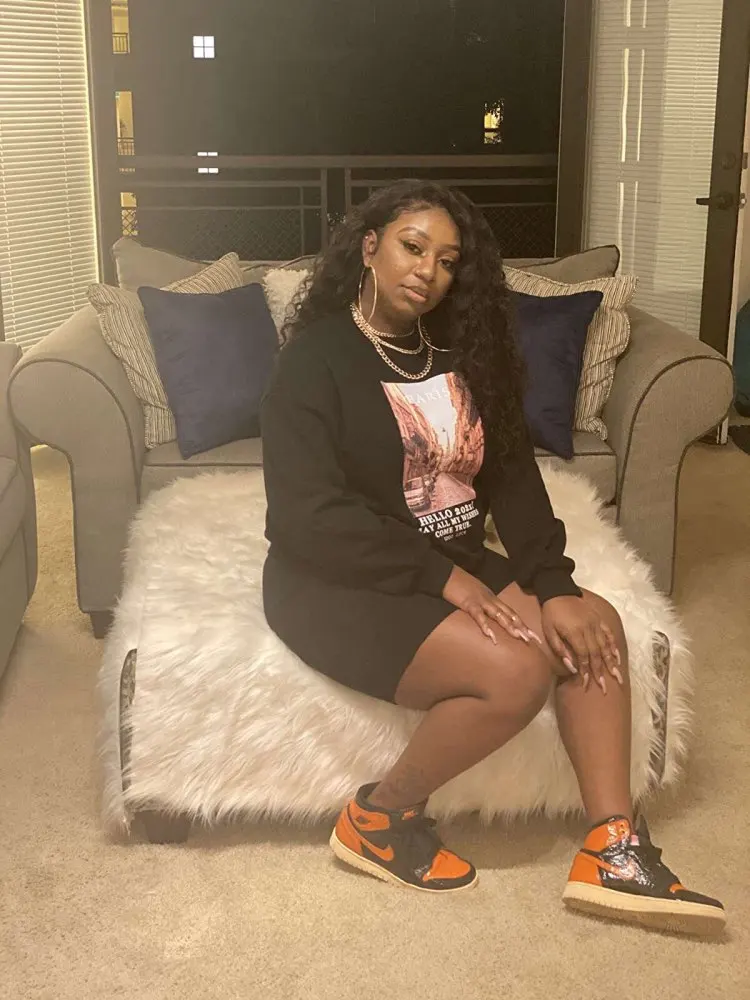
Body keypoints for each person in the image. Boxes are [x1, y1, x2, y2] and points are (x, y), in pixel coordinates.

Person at [260, 179, 724, 936]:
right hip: (336, 581)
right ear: (370, 248)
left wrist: (554, 585)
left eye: (447, 261)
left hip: (448, 557)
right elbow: (307, 518)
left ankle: (613, 849)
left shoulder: (460, 354)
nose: (427, 271)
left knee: (595, 626)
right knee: (514, 672)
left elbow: (511, 476)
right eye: (412, 247)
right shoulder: (314, 361)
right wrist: (445, 579)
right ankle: (379, 818)